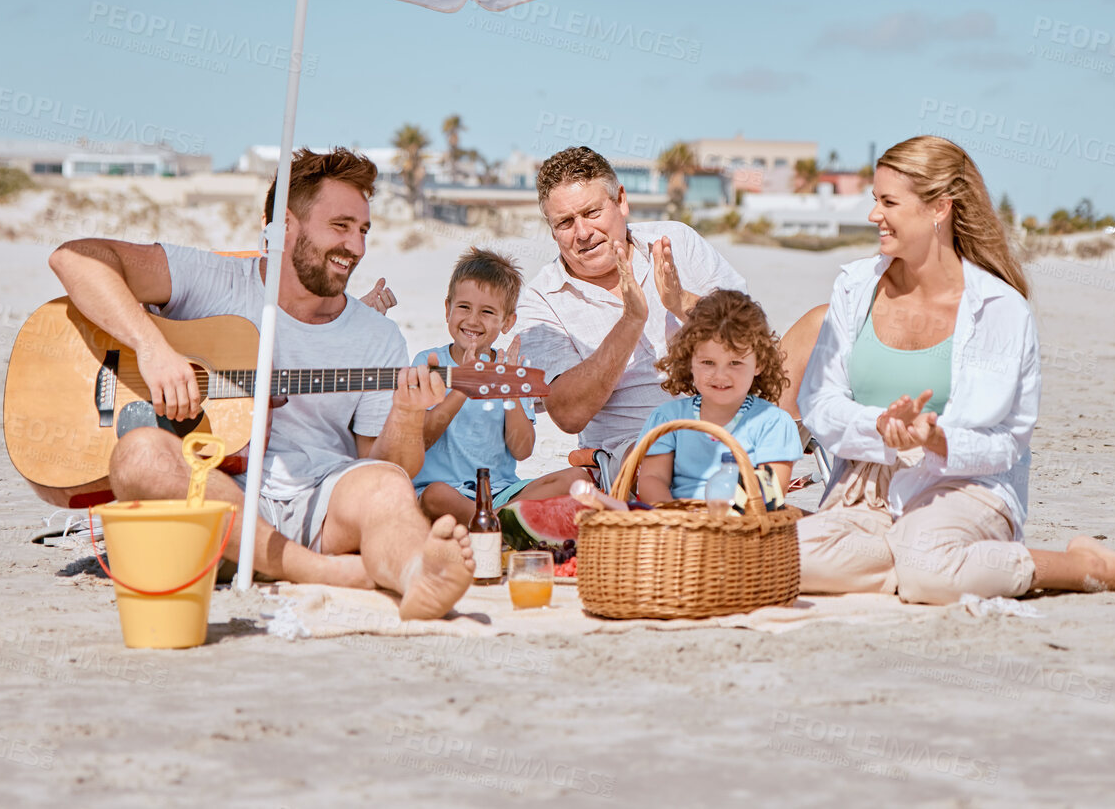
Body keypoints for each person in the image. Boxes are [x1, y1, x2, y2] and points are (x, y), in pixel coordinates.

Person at [47, 147, 474, 620]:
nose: (356, 247)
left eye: (363, 230)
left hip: (320, 497)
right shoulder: (212, 279)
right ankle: (317, 571)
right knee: (140, 455)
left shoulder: (377, 337)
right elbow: (76, 258)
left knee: (386, 489)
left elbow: (387, 466)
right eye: (340, 226)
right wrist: (152, 350)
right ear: (285, 226)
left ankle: (419, 573)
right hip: (214, 492)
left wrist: (409, 415)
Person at [797, 135, 1115, 603]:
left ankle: (1081, 565)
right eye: (876, 200)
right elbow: (818, 402)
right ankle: (916, 555)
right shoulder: (854, 288)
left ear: (939, 208)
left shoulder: (999, 309)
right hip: (868, 483)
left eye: (889, 202)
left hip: (964, 485)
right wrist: (877, 424)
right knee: (791, 562)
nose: (874, 215)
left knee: (927, 574)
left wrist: (933, 440)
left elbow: (1008, 442)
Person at [510, 146, 746, 500]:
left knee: (815, 322)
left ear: (621, 201)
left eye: (592, 212)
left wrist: (682, 303)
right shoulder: (542, 299)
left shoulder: (676, 241)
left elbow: (752, 340)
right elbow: (568, 414)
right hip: (634, 454)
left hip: (731, 424)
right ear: (551, 228)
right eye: (565, 222)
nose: (583, 232)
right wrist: (631, 321)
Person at [635, 290, 801, 505]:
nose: (720, 375)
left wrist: (727, 519)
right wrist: (672, 514)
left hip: (744, 526)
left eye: (735, 363)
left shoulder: (773, 422)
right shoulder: (668, 418)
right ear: (689, 361)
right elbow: (652, 478)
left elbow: (771, 491)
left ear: (759, 363)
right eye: (708, 363)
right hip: (678, 525)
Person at [412, 247, 537, 525]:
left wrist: (512, 392)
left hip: (499, 493)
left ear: (507, 322)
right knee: (435, 495)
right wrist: (462, 387)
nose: (472, 320)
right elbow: (421, 439)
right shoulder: (429, 362)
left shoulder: (514, 369)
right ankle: (496, 529)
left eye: (487, 312)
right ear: (448, 309)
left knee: (573, 479)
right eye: (464, 307)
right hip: (444, 491)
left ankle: (490, 522)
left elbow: (523, 450)